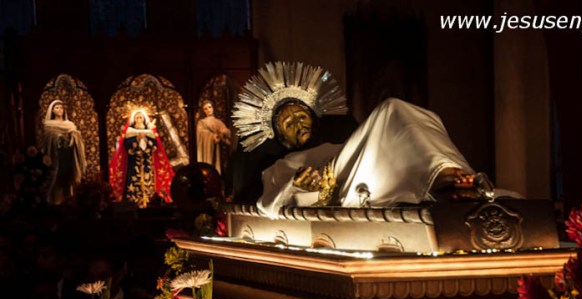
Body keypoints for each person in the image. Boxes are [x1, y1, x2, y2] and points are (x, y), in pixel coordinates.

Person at [232, 62, 484, 217]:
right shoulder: (285, 163)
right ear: (281, 138)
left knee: (421, 117)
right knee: (391, 109)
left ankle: (448, 174)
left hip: (365, 161)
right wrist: (298, 187)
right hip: (343, 178)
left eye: (301, 116)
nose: (298, 124)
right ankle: (443, 177)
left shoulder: (343, 141)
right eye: (288, 124)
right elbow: (270, 203)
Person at [109, 110, 174, 208]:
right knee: (134, 180)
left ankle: (149, 201)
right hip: (133, 162)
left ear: (144, 119)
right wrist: (137, 140)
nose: (139, 119)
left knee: (148, 180)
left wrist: (146, 140)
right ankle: (134, 202)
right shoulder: (130, 131)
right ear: (134, 119)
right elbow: (126, 145)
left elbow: (155, 145)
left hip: (147, 161)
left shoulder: (149, 131)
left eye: (141, 117)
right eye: (137, 117)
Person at [40, 99, 86, 204]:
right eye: (57, 108)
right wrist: (58, 138)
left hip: (69, 156)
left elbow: (77, 139)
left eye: (61, 107)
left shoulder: (69, 125)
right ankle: (56, 203)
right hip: (57, 157)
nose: (60, 109)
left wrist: (74, 136)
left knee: (69, 180)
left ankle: (69, 202)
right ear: (52, 110)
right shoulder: (49, 126)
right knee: (57, 181)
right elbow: (48, 141)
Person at [196, 100, 231, 175]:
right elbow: (200, 133)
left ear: (213, 108)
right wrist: (212, 136)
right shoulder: (201, 122)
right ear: (203, 111)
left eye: (210, 107)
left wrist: (222, 133)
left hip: (216, 148)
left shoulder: (218, 122)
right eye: (205, 108)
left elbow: (227, 133)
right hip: (205, 149)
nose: (208, 110)